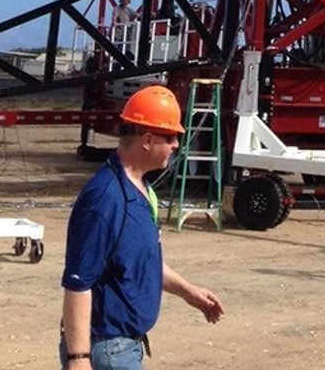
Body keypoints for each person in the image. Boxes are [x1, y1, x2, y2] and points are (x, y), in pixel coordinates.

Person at [60, 84, 224, 367]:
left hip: (124, 346)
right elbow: (78, 281)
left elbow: (140, 263)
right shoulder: (106, 199)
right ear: (147, 139)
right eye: (171, 136)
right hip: (107, 349)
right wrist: (78, 358)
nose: (176, 145)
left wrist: (188, 291)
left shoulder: (143, 190)